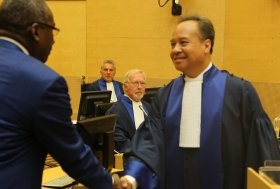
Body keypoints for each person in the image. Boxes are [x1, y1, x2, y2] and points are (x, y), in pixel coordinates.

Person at [0, 0, 113, 188]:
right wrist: (110, 182)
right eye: (52, 30)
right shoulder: (44, 81)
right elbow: (72, 156)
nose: (54, 40)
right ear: (36, 31)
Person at [115, 15, 280, 189]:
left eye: (183, 43)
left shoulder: (238, 92)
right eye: (172, 44)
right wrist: (132, 177)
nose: (175, 50)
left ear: (206, 45)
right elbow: (150, 144)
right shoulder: (165, 95)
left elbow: (261, 155)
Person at [106, 69, 150, 153]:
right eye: (136, 83)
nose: (140, 87)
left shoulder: (148, 107)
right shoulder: (115, 111)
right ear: (125, 87)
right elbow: (120, 142)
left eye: (142, 83)